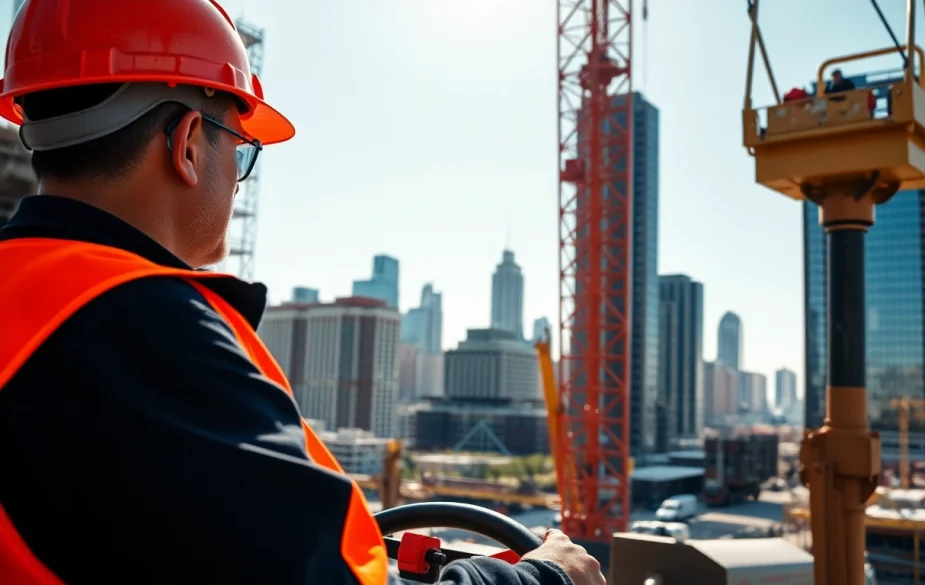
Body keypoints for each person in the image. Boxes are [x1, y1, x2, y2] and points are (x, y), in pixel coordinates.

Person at [0, 2, 605, 585]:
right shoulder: (143, 329)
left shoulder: (32, 295)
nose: (237, 183)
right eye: (241, 149)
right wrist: (542, 578)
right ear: (187, 145)